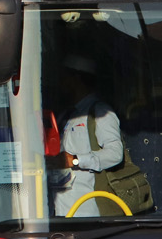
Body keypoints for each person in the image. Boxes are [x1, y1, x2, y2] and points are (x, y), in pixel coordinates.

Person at [48, 55, 123, 217]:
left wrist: (75, 160)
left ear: (76, 78)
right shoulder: (64, 115)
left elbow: (115, 153)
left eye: (64, 77)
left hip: (85, 211)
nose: (60, 83)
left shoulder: (100, 112)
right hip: (58, 210)